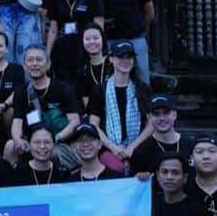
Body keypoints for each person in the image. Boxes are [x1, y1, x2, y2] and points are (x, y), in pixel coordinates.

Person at [90, 41, 150, 172]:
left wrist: (132, 147)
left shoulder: (142, 89)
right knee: (116, 168)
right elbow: (94, 124)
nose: (125, 61)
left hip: (137, 146)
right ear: (111, 59)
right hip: (108, 147)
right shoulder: (100, 89)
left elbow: (151, 124)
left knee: (142, 163)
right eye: (120, 57)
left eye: (129, 57)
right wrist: (113, 148)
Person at [10, 47, 80, 154]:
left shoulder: (64, 89)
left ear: (48, 64)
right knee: (10, 146)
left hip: (59, 142)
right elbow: (17, 123)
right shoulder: (21, 92)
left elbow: (75, 122)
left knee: (49, 151)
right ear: (24, 66)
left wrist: (55, 139)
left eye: (39, 60)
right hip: (32, 142)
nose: (34, 64)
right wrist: (18, 140)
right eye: (30, 60)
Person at [46, 0, 104, 78]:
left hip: (85, 52)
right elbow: (53, 30)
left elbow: (99, 27)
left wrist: (98, 53)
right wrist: (47, 56)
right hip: (62, 52)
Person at [128, 95, 192, 178]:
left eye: (166, 113)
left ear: (174, 114)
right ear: (148, 117)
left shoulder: (191, 146)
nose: (161, 118)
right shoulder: (141, 152)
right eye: (156, 114)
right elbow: (135, 185)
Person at [74, 26, 113, 122]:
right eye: (87, 39)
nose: (92, 42)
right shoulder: (82, 71)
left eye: (96, 38)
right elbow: (86, 100)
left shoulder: (113, 63)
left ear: (102, 40)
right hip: (95, 115)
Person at [186, 137, 217, 216]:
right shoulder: (183, 191)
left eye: (212, 151)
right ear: (191, 158)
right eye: (199, 152)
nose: (206, 156)